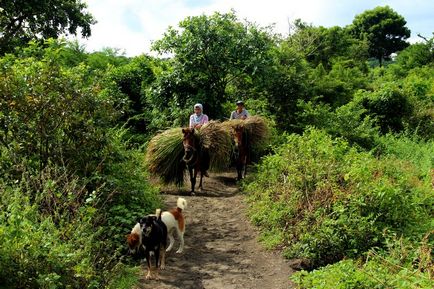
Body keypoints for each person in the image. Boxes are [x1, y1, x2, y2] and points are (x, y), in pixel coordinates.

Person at [188, 103, 210, 177]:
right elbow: (191, 126)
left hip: (202, 134)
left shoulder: (205, 116)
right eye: (196, 109)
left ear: (201, 109)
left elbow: (205, 125)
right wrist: (196, 126)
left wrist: (199, 126)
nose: (197, 110)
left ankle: (205, 168)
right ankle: (187, 162)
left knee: (206, 149)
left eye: (198, 109)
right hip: (193, 134)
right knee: (186, 145)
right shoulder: (192, 116)